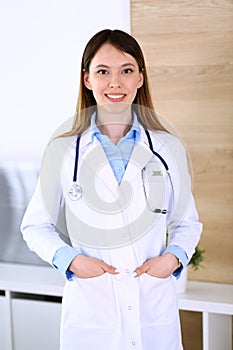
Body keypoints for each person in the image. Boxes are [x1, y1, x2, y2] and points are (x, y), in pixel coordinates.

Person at [21, 29, 202, 350]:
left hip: (151, 304)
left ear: (140, 78)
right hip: (93, 306)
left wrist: (172, 259)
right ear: (87, 79)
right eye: (103, 71)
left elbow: (186, 222)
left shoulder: (167, 146)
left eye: (126, 71)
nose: (115, 82)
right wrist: (71, 260)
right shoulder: (63, 150)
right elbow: (35, 226)